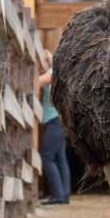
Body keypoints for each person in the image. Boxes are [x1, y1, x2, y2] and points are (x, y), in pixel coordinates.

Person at [38, 67, 70, 205]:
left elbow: (36, 81)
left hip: (54, 120)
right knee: (60, 158)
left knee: (46, 156)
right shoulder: (57, 73)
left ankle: (58, 195)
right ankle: (64, 194)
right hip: (59, 120)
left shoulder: (51, 72)